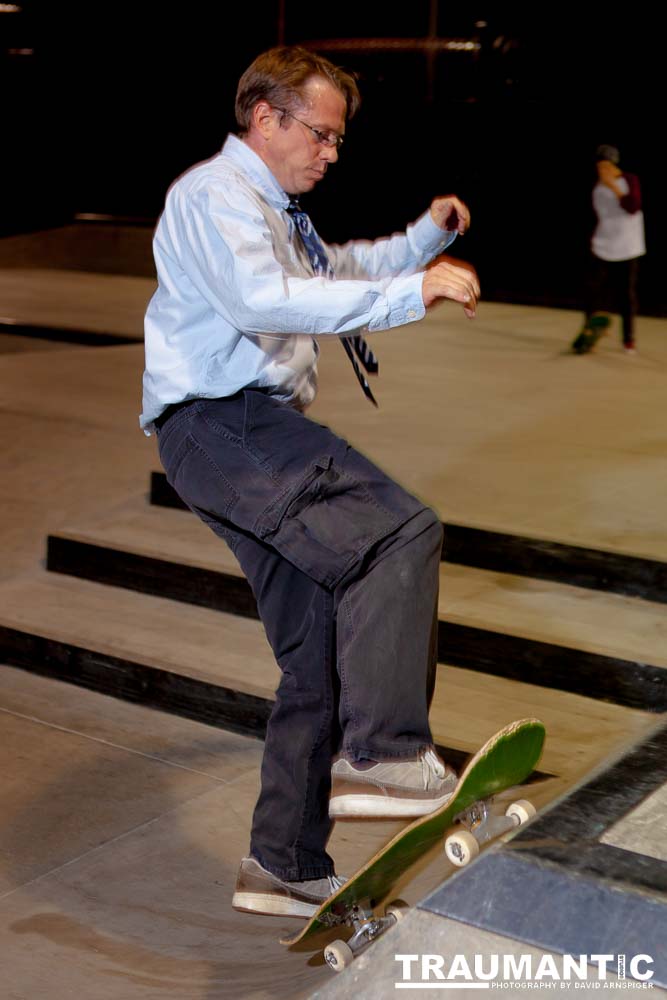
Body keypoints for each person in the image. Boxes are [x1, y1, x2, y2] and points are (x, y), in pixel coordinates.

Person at [140, 45, 480, 919]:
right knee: (399, 531)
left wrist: (424, 242)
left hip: (231, 437)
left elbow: (339, 273)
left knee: (317, 657)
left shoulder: (273, 214)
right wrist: (414, 297)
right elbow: (264, 300)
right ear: (266, 117)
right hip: (228, 425)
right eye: (322, 135)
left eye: (338, 140)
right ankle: (383, 753)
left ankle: (283, 862)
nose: (331, 153)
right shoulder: (214, 198)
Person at [583, 143, 645, 354]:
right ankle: (589, 330)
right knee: (592, 288)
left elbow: (633, 207)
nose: (602, 170)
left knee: (626, 294)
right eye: (600, 166)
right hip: (603, 244)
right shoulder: (597, 186)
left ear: (615, 166)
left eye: (606, 166)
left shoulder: (629, 180)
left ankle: (629, 339)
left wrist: (614, 187)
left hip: (628, 246)